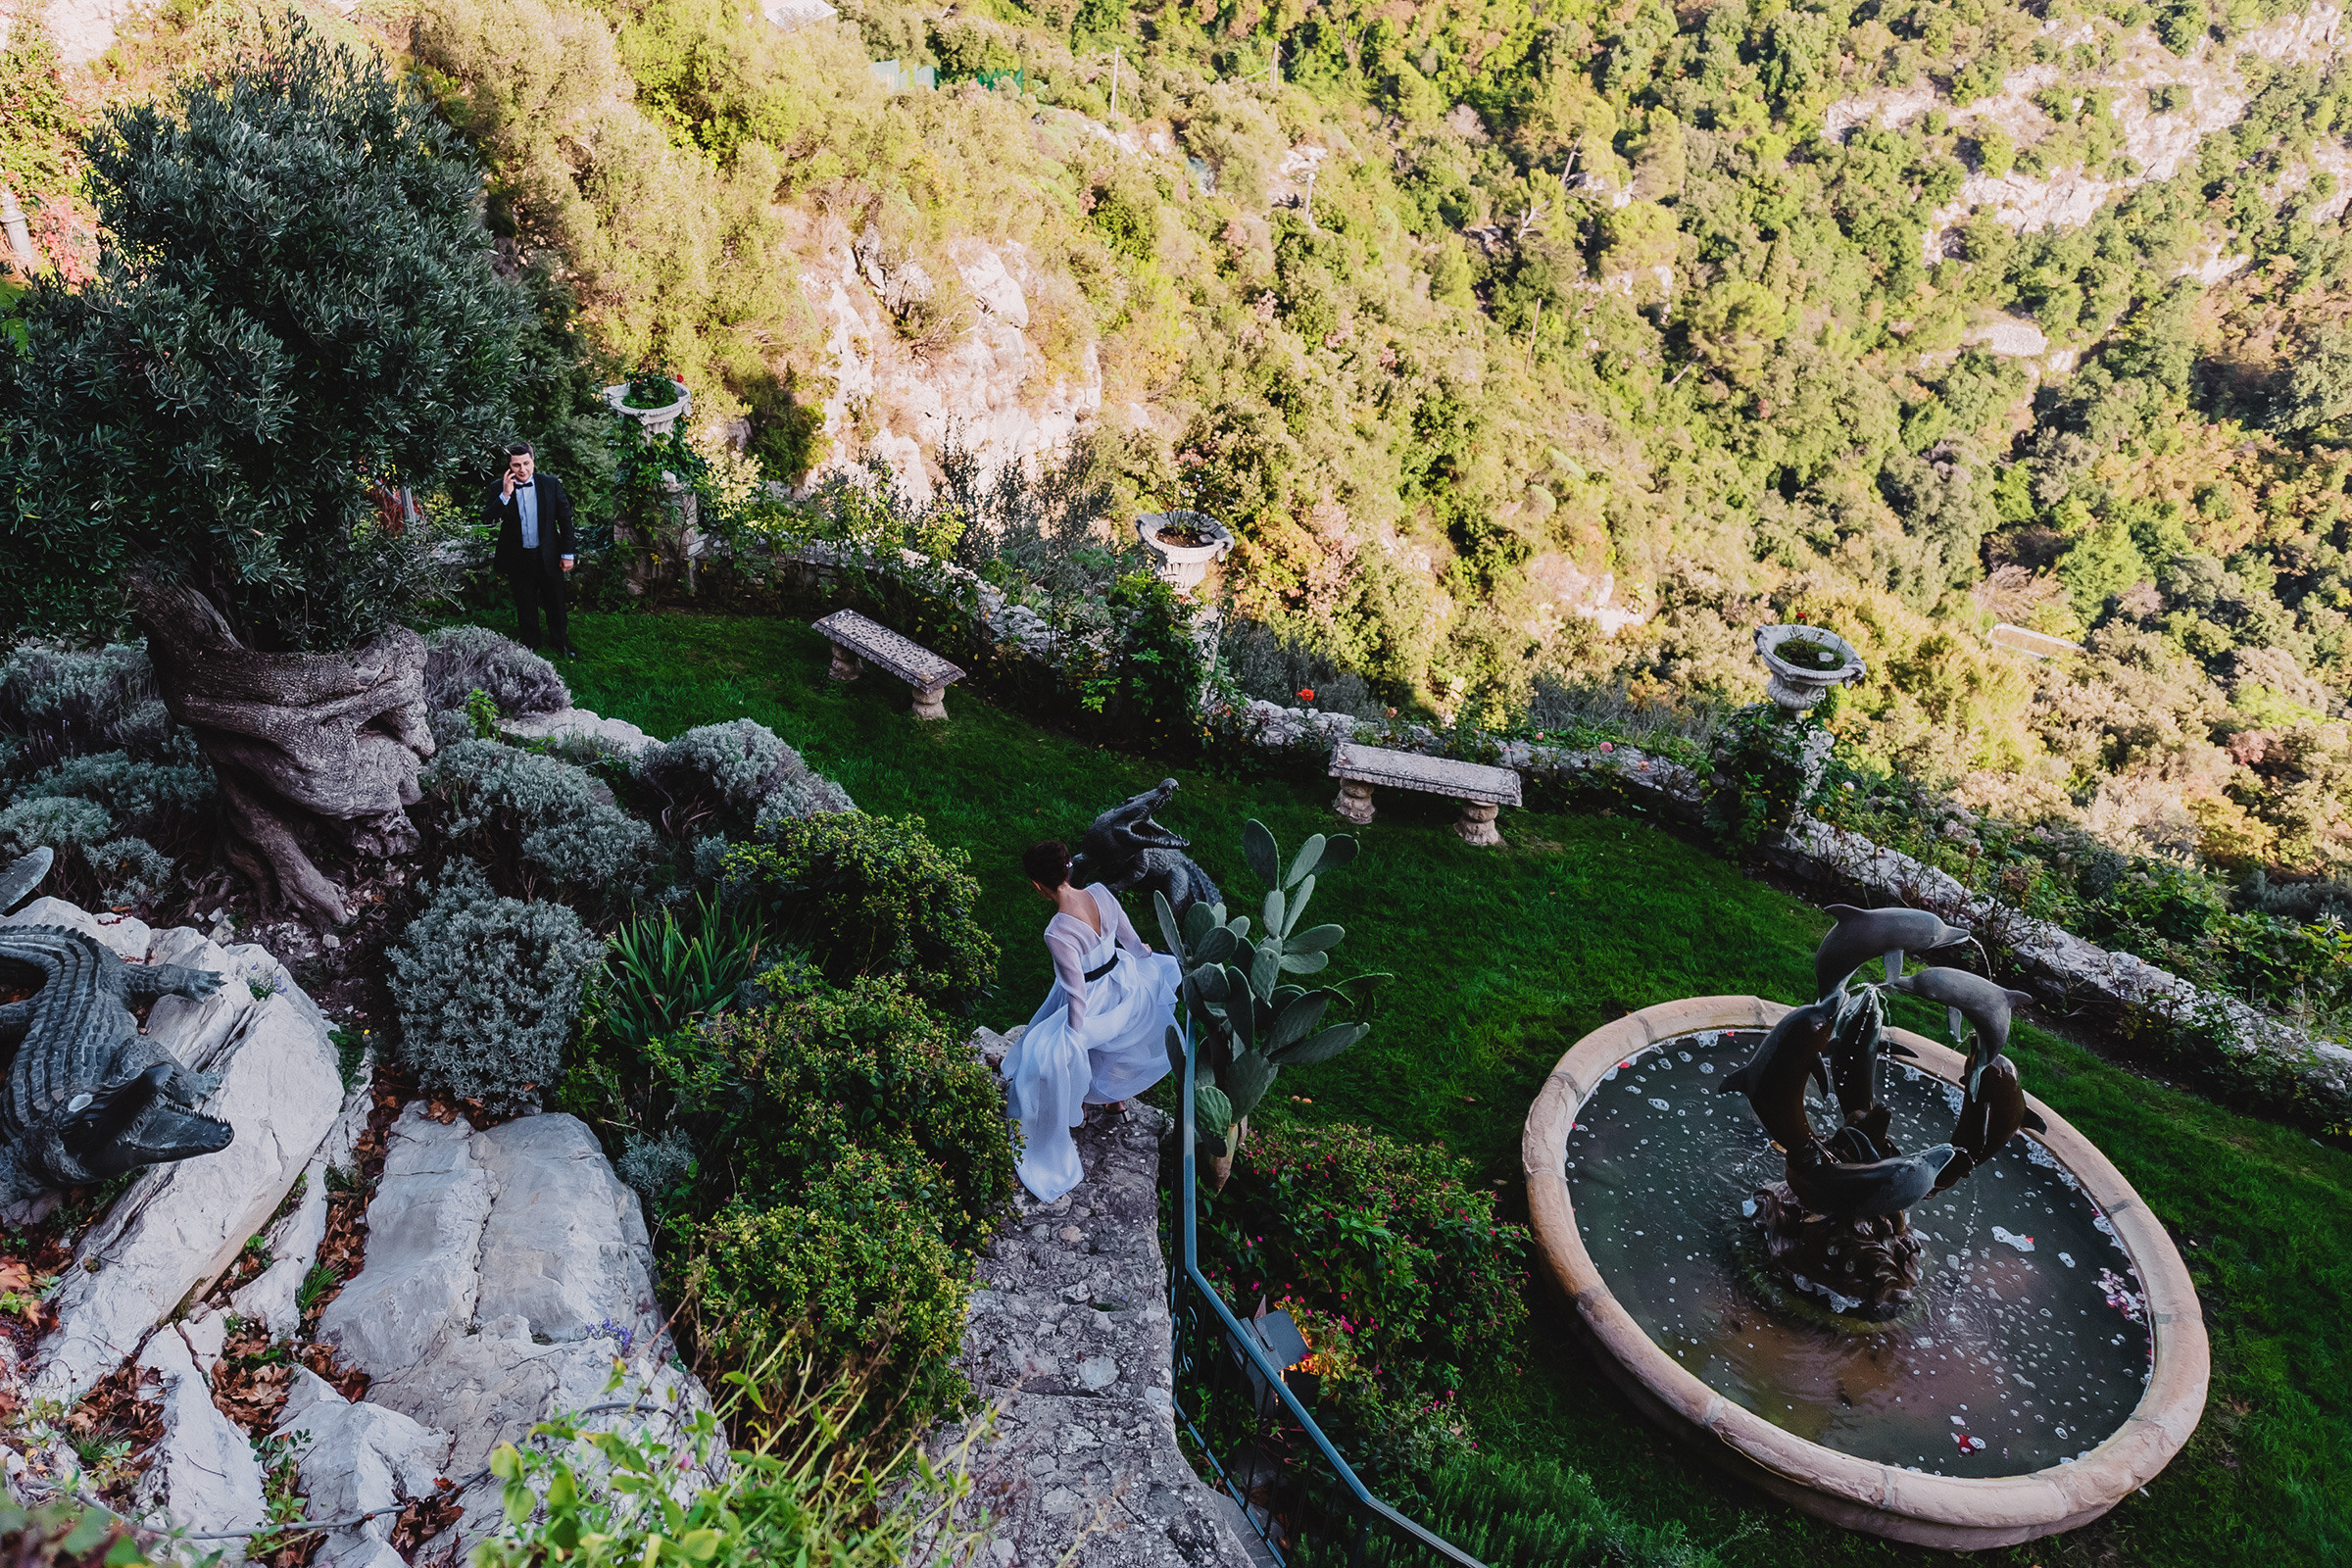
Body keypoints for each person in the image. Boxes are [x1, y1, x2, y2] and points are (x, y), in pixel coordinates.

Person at [1003, 839, 1180, 1202]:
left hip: (1095, 1000)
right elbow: (1132, 942)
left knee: (1046, 1049)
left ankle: (1077, 1104)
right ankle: (1115, 1101)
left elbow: (1076, 993)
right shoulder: (1101, 893)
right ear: (1068, 868)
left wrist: (1072, 1034)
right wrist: (1147, 956)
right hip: (1126, 985)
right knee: (1105, 1036)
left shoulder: (1057, 931)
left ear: (1037, 885)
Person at [486, 442, 580, 659]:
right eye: (516, 465)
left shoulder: (550, 484)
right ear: (509, 466)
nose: (523, 469)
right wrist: (505, 495)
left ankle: (561, 642)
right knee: (525, 602)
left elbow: (565, 519)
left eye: (526, 463)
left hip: (548, 554)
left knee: (555, 601)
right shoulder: (498, 487)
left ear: (533, 461)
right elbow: (488, 518)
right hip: (518, 556)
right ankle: (531, 643)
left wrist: (568, 553)